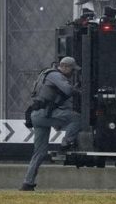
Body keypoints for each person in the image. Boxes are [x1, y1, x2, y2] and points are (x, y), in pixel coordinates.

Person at [20, 56, 83, 191]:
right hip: (45, 114)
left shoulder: (47, 73)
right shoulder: (55, 75)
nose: (73, 73)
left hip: (37, 115)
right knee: (77, 119)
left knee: (39, 152)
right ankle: (66, 143)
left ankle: (27, 183)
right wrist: (81, 92)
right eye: (72, 70)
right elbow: (68, 90)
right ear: (64, 66)